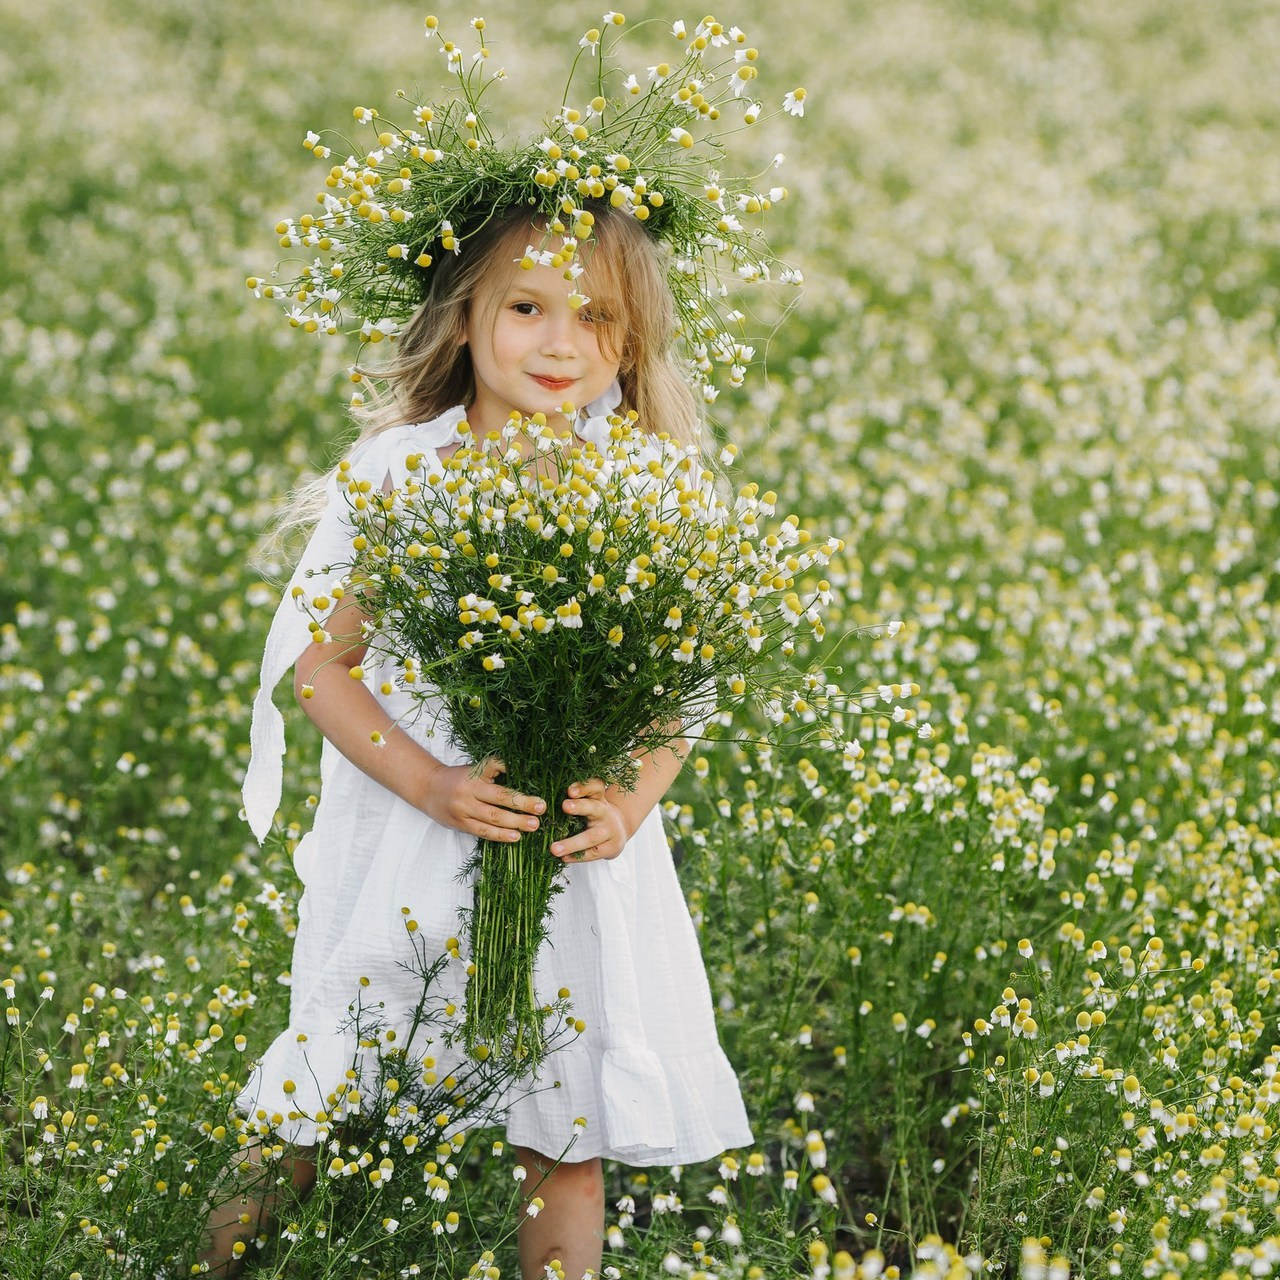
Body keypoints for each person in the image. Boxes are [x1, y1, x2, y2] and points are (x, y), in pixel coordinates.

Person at [204, 204, 753, 1278]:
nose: (560, 343)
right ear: (462, 320)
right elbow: (321, 666)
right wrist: (435, 782)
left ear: (632, 341)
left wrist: (631, 799)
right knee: (314, 1091)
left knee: (567, 1127)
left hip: (565, 855)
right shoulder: (401, 473)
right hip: (413, 837)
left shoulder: (646, 484)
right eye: (526, 308)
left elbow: (684, 689)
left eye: (595, 317)